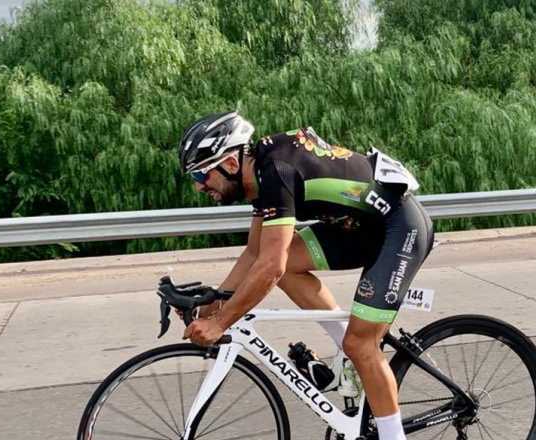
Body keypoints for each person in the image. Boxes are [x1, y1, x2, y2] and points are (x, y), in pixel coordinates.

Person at [179, 112, 433, 439]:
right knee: (285, 265)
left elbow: (269, 268)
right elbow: (256, 254)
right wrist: (213, 302)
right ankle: (349, 353)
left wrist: (221, 322)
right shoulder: (258, 175)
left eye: (201, 174)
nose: (199, 186)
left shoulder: (276, 173)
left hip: (400, 228)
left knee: (362, 343)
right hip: (358, 228)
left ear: (229, 163)